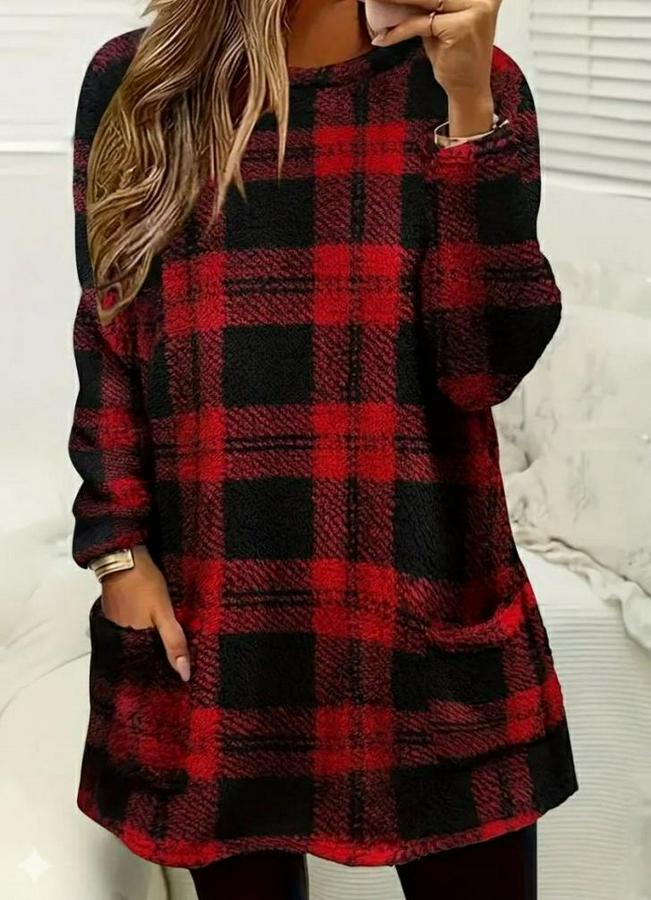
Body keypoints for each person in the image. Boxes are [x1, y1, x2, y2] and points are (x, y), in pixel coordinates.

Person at [67, 0, 578, 897]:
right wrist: (117, 551)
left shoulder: (470, 82)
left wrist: (468, 108)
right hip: (216, 609)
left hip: (418, 588)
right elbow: (109, 332)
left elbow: (480, 367)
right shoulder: (139, 82)